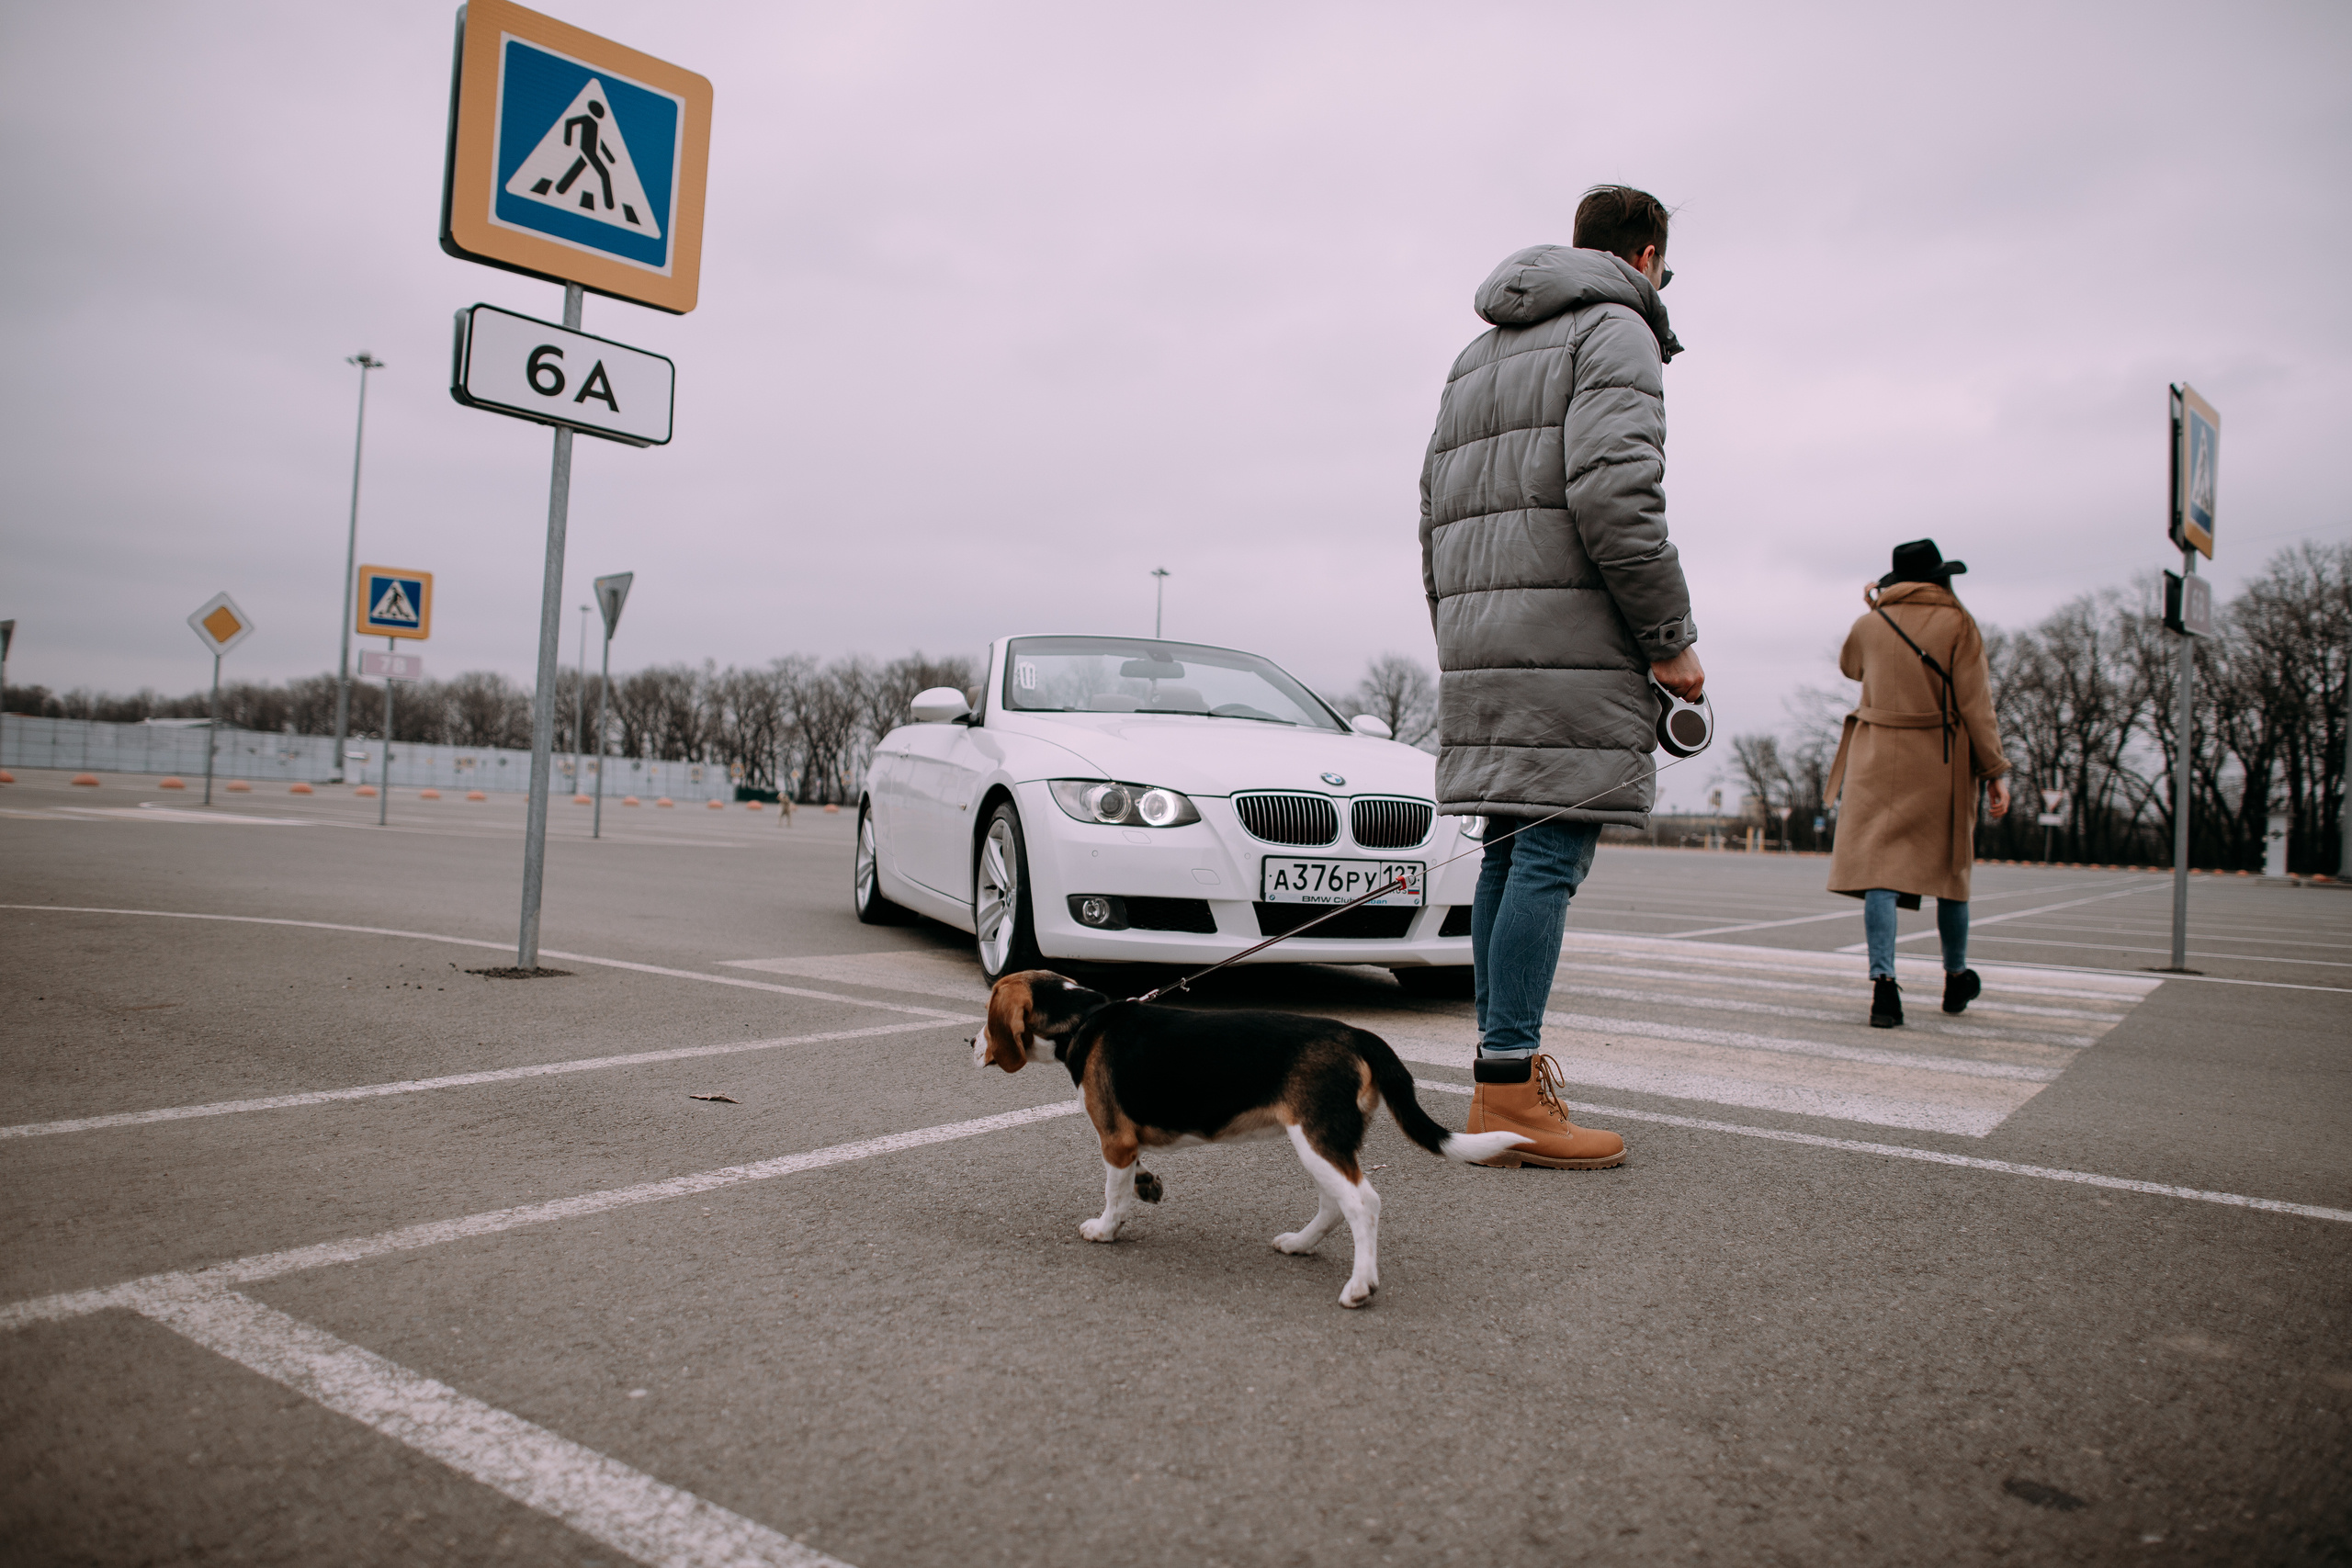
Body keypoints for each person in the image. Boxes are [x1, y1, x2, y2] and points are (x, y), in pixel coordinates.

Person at [1419, 185, 1703, 1169]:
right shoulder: (1614, 329)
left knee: (1510, 847)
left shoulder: (1478, 353)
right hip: (1570, 630)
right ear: (1649, 254)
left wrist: (1455, 628)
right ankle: (1510, 1093)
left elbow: (1434, 508)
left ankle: (1498, 1080)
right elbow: (1616, 493)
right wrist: (1668, 635)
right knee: (1546, 856)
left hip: (1484, 629)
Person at [1825, 538, 2012, 1026]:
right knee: (1950, 872)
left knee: (1881, 875)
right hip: (1940, 759)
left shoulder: (1870, 623)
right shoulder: (1958, 622)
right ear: (1941, 578)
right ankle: (1954, 979)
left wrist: (1873, 608)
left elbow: (1851, 666)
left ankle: (1884, 988)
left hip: (1874, 758)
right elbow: (1976, 705)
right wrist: (1994, 771)